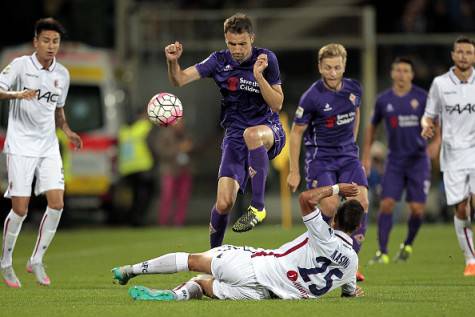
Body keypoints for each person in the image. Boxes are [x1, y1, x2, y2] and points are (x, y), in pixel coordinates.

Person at [111, 183, 364, 301]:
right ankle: (173, 296)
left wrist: (336, 188)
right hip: (267, 295)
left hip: (258, 267)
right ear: (357, 228)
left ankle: (130, 270)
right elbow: (349, 292)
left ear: (334, 221)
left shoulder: (324, 233)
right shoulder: (352, 261)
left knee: (194, 261)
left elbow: (307, 198)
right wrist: (352, 291)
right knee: (203, 285)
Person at [164, 13, 285, 245]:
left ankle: (258, 207)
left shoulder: (266, 59)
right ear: (225, 40)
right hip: (235, 136)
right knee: (223, 203)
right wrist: (173, 61)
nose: (237, 49)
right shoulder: (218, 61)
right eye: (232, 44)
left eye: (242, 44)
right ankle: (212, 259)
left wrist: (259, 77)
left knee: (252, 134)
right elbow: (179, 79)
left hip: (268, 130)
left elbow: (277, 103)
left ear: (252, 38)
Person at [0, 18, 82, 288]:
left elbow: (58, 109)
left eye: (55, 41)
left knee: (57, 203)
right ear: (36, 42)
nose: (50, 46)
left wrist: (67, 131)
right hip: (20, 145)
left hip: (48, 146)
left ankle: (36, 259)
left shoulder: (63, 74)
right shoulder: (21, 65)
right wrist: (17, 94)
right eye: (45, 40)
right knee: (20, 209)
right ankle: (6, 262)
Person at [286, 43, 369, 280]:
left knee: (361, 202)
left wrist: (351, 145)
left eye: (337, 67)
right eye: (328, 67)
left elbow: (356, 112)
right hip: (320, 158)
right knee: (330, 206)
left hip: (347, 157)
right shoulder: (312, 97)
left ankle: (349, 262)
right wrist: (294, 171)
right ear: (320, 67)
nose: (333, 72)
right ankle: (316, 255)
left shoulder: (354, 88)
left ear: (344, 66)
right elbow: (296, 133)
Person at [361, 57, 437, 264]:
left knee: (417, 209)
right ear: (392, 73)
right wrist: (366, 154)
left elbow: (436, 122)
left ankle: (407, 245)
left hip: (418, 160)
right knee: (386, 204)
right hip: (394, 160)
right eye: (398, 70)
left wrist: (435, 144)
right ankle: (382, 252)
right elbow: (371, 127)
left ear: (412, 75)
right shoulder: (384, 100)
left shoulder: (422, 98)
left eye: (406, 71)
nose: (402, 74)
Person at [421, 36, 475, 276]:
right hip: (452, 155)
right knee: (462, 209)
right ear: (453, 55)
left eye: (468, 52)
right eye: (460, 52)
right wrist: (427, 128)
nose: (464, 56)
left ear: (473, 56)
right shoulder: (440, 84)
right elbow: (428, 115)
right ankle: (470, 260)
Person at [118, 109, 158, 226]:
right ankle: (137, 219)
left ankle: (132, 218)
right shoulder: (145, 127)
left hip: (127, 168)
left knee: (134, 196)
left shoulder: (124, 130)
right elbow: (152, 146)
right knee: (144, 194)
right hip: (142, 166)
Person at [157, 119, 193, 226]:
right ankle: (164, 222)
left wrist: (190, 148)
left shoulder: (187, 135)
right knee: (167, 197)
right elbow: (160, 151)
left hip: (185, 170)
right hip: (170, 170)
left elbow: (195, 148)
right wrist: (179, 148)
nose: (180, 124)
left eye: (182, 122)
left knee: (183, 197)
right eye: (178, 122)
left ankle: (179, 222)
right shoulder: (164, 135)